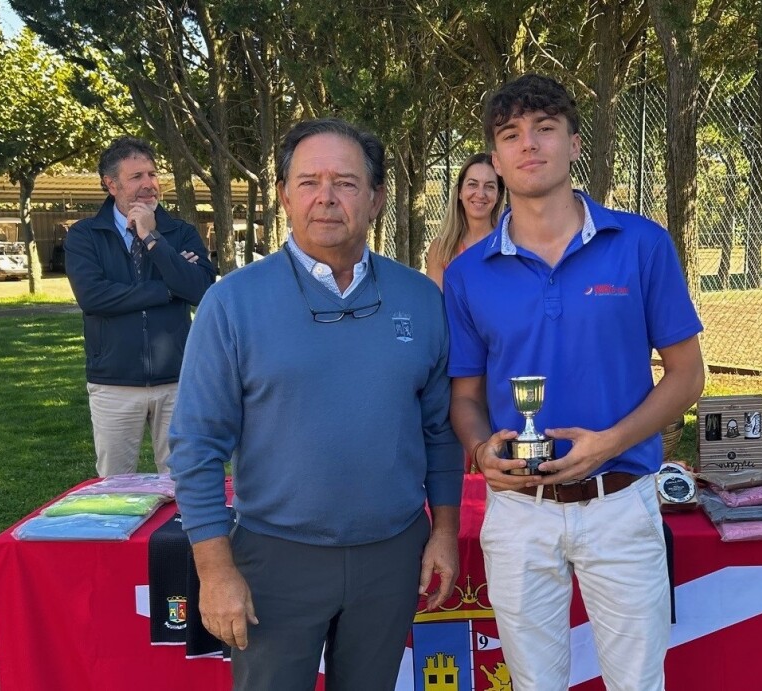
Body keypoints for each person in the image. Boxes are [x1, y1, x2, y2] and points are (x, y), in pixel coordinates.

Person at [167, 118, 463, 690]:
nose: (326, 197)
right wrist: (214, 567)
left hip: (391, 555)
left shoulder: (421, 300)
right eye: (309, 181)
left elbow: (440, 433)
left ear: (376, 198)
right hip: (276, 559)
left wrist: (444, 532)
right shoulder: (231, 303)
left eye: (346, 183)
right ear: (284, 195)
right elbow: (197, 445)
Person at [444, 74, 705, 690]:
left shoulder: (640, 244)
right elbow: (465, 398)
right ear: (497, 159)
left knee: (637, 683)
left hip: (620, 502)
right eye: (510, 135)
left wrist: (609, 442)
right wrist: (482, 451)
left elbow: (688, 375)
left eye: (544, 129)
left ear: (575, 144)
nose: (528, 144)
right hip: (518, 510)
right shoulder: (466, 275)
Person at [65, 136, 215, 477]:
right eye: (137, 177)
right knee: (115, 489)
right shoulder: (85, 235)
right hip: (114, 384)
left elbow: (202, 290)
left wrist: (152, 239)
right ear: (111, 184)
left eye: (152, 174)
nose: (149, 184)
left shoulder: (179, 232)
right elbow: (94, 297)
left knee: (186, 482)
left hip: (178, 382)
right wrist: (169, 288)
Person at [425, 153, 505, 289]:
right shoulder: (442, 249)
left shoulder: (508, 247)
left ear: (498, 195)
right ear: (460, 192)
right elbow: (433, 307)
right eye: (473, 184)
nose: (480, 194)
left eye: (489, 186)